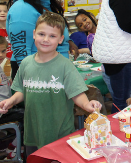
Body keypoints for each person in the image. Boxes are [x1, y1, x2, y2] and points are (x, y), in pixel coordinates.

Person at [0, 12, 101, 158]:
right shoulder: (26, 63)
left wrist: (86, 105)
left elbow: (76, 93)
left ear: (60, 39)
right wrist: (11, 101)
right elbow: (22, 91)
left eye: (52, 36)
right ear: (34, 34)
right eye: (41, 34)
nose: (46, 39)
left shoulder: (65, 66)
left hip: (59, 133)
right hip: (33, 133)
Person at [7, 0, 78, 80]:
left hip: (55, 69)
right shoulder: (22, 8)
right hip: (37, 75)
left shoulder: (44, 5)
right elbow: (22, 51)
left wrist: (67, 41)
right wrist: (35, 82)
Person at [74, 9, 113, 97]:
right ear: (80, 29)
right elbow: (97, 54)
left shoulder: (104, 28)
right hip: (106, 67)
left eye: (85, 19)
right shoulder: (90, 38)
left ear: (91, 17)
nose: (84, 24)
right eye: (81, 25)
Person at [0, 36, 23, 160]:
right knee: (27, 115)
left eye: (3, 51)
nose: (1, 55)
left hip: (6, 104)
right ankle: (15, 148)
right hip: (2, 110)